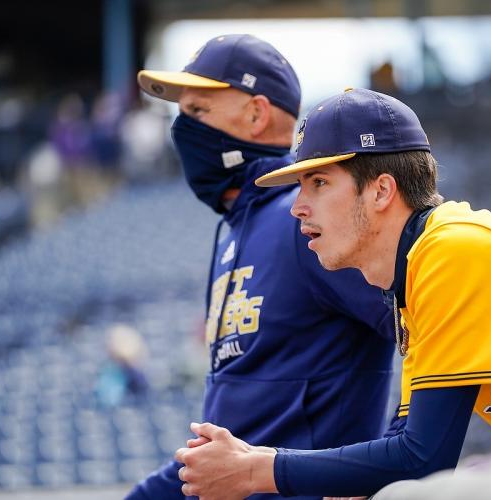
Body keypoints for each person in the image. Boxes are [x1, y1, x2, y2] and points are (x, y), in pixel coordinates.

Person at [173, 88, 491, 499]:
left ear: (380, 190)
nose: (296, 206)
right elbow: (404, 440)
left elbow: (424, 456)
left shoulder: (454, 250)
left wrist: (256, 470)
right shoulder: (415, 274)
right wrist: (340, 476)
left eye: (319, 184)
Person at [127, 38, 395, 499]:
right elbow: (235, 430)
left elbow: (428, 328)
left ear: (256, 113)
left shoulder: (307, 220)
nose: (183, 128)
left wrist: (383, 464)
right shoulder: (236, 230)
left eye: (197, 110)